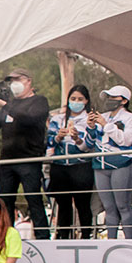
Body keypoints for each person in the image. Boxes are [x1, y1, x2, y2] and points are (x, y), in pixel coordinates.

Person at [0, 68, 50, 239]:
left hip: (29, 159)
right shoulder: (10, 104)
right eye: (11, 80)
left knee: (34, 200)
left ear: (28, 81)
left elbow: (30, 119)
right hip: (7, 161)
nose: (14, 84)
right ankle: (6, 239)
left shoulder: (39, 101)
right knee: (5, 203)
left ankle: (43, 238)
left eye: (18, 79)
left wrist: (6, 105)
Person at [88, 86, 132, 239]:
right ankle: (111, 241)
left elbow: (126, 140)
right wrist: (91, 127)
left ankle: (130, 241)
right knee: (109, 208)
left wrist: (106, 125)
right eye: (108, 97)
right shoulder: (102, 116)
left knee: (123, 205)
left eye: (114, 97)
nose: (109, 100)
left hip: (121, 164)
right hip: (100, 165)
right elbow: (91, 142)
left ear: (124, 100)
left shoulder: (131, 118)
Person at [45, 84, 93, 239]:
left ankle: (86, 236)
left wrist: (77, 139)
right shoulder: (58, 119)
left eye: (80, 99)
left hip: (81, 166)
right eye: (73, 98)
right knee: (63, 205)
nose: (76, 102)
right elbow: (49, 142)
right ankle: (63, 235)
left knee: (83, 204)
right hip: (60, 167)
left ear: (86, 101)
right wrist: (58, 137)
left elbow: (89, 145)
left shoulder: (89, 119)